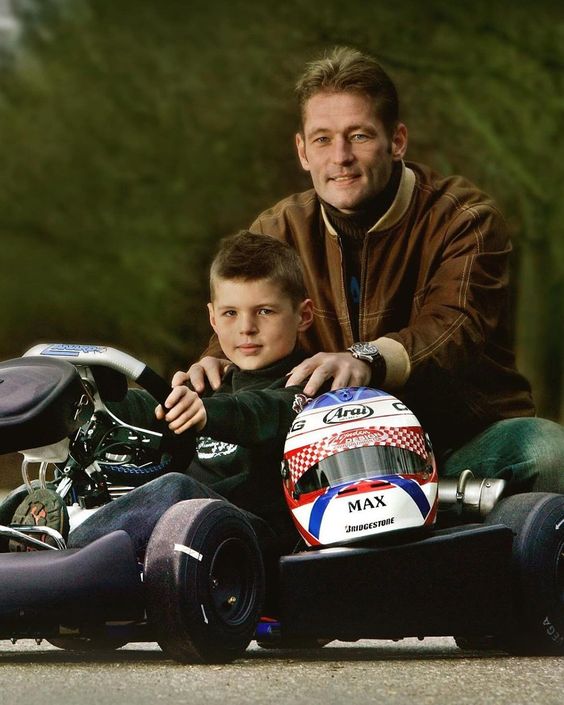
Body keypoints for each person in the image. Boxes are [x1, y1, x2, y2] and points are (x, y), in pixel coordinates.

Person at [188, 46, 564, 494]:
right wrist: (210, 364)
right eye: (323, 139)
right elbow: (243, 310)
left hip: (458, 440)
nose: (340, 156)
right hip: (331, 451)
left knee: (549, 452)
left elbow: (454, 326)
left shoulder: (465, 218)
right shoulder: (277, 228)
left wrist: (367, 359)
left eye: (359, 136)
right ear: (303, 151)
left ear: (397, 141)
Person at [67, 230, 315, 562]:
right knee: (63, 478)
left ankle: (65, 548)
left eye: (265, 311)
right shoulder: (213, 383)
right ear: (213, 318)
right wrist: (83, 399)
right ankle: (25, 537)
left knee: (177, 491)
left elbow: (258, 412)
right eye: (231, 313)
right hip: (187, 540)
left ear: (304, 315)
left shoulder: (309, 385)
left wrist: (206, 412)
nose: (246, 328)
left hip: (256, 541)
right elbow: (154, 406)